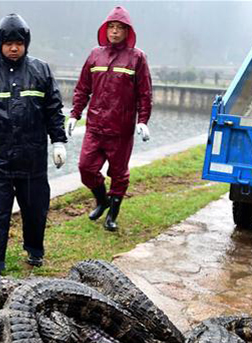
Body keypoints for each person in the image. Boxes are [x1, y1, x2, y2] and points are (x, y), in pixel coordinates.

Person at [0, 13, 67, 281]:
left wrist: (58, 141)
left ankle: (34, 249)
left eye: (18, 43)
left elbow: (54, 109)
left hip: (32, 157)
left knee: (35, 208)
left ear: (26, 43)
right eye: (8, 43)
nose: (13, 48)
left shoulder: (41, 70)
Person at [67, 6, 152, 232]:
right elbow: (82, 88)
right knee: (86, 167)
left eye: (120, 28)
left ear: (127, 31)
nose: (114, 32)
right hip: (95, 126)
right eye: (111, 27)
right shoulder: (95, 55)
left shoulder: (137, 58)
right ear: (105, 29)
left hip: (121, 129)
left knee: (119, 174)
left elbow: (145, 93)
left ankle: (112, 215)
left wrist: (142, 120)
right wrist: (75, 114)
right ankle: (102, 200)